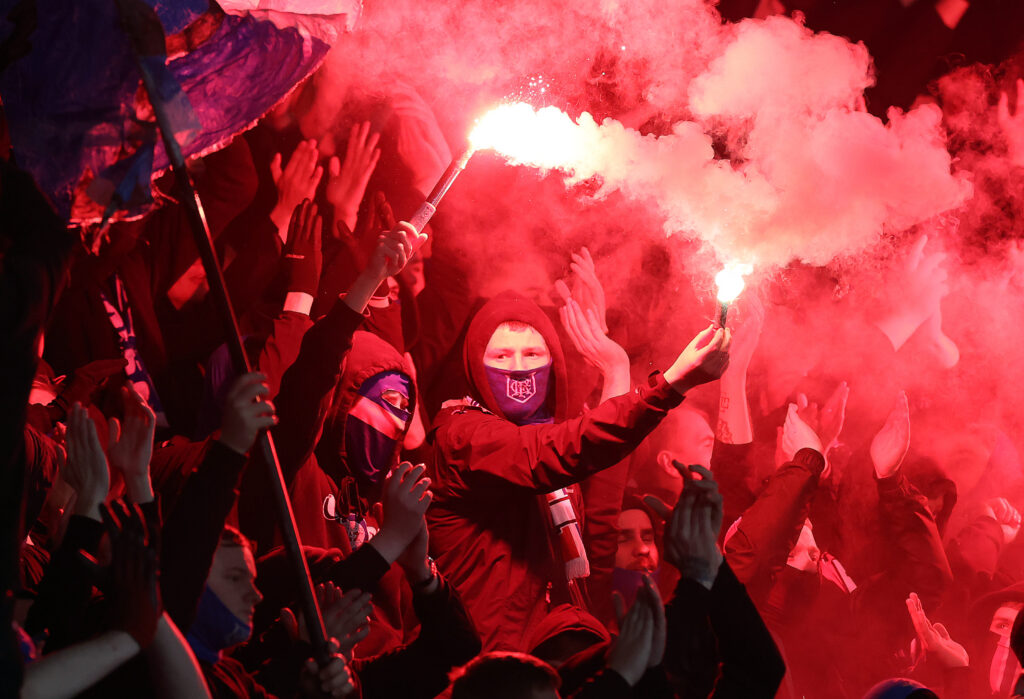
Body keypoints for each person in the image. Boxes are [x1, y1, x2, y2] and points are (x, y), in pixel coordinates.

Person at [427, 284, 731, 651]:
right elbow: (554, 453)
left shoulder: (553, 452)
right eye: (503, 356)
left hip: (555, 667)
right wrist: (670, 385)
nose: (520, 369)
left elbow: (598, 518)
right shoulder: (462, 436)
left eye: (532, 353)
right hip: (487, 672)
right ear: (476, 363)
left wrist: (617, 367)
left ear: (552, 362)